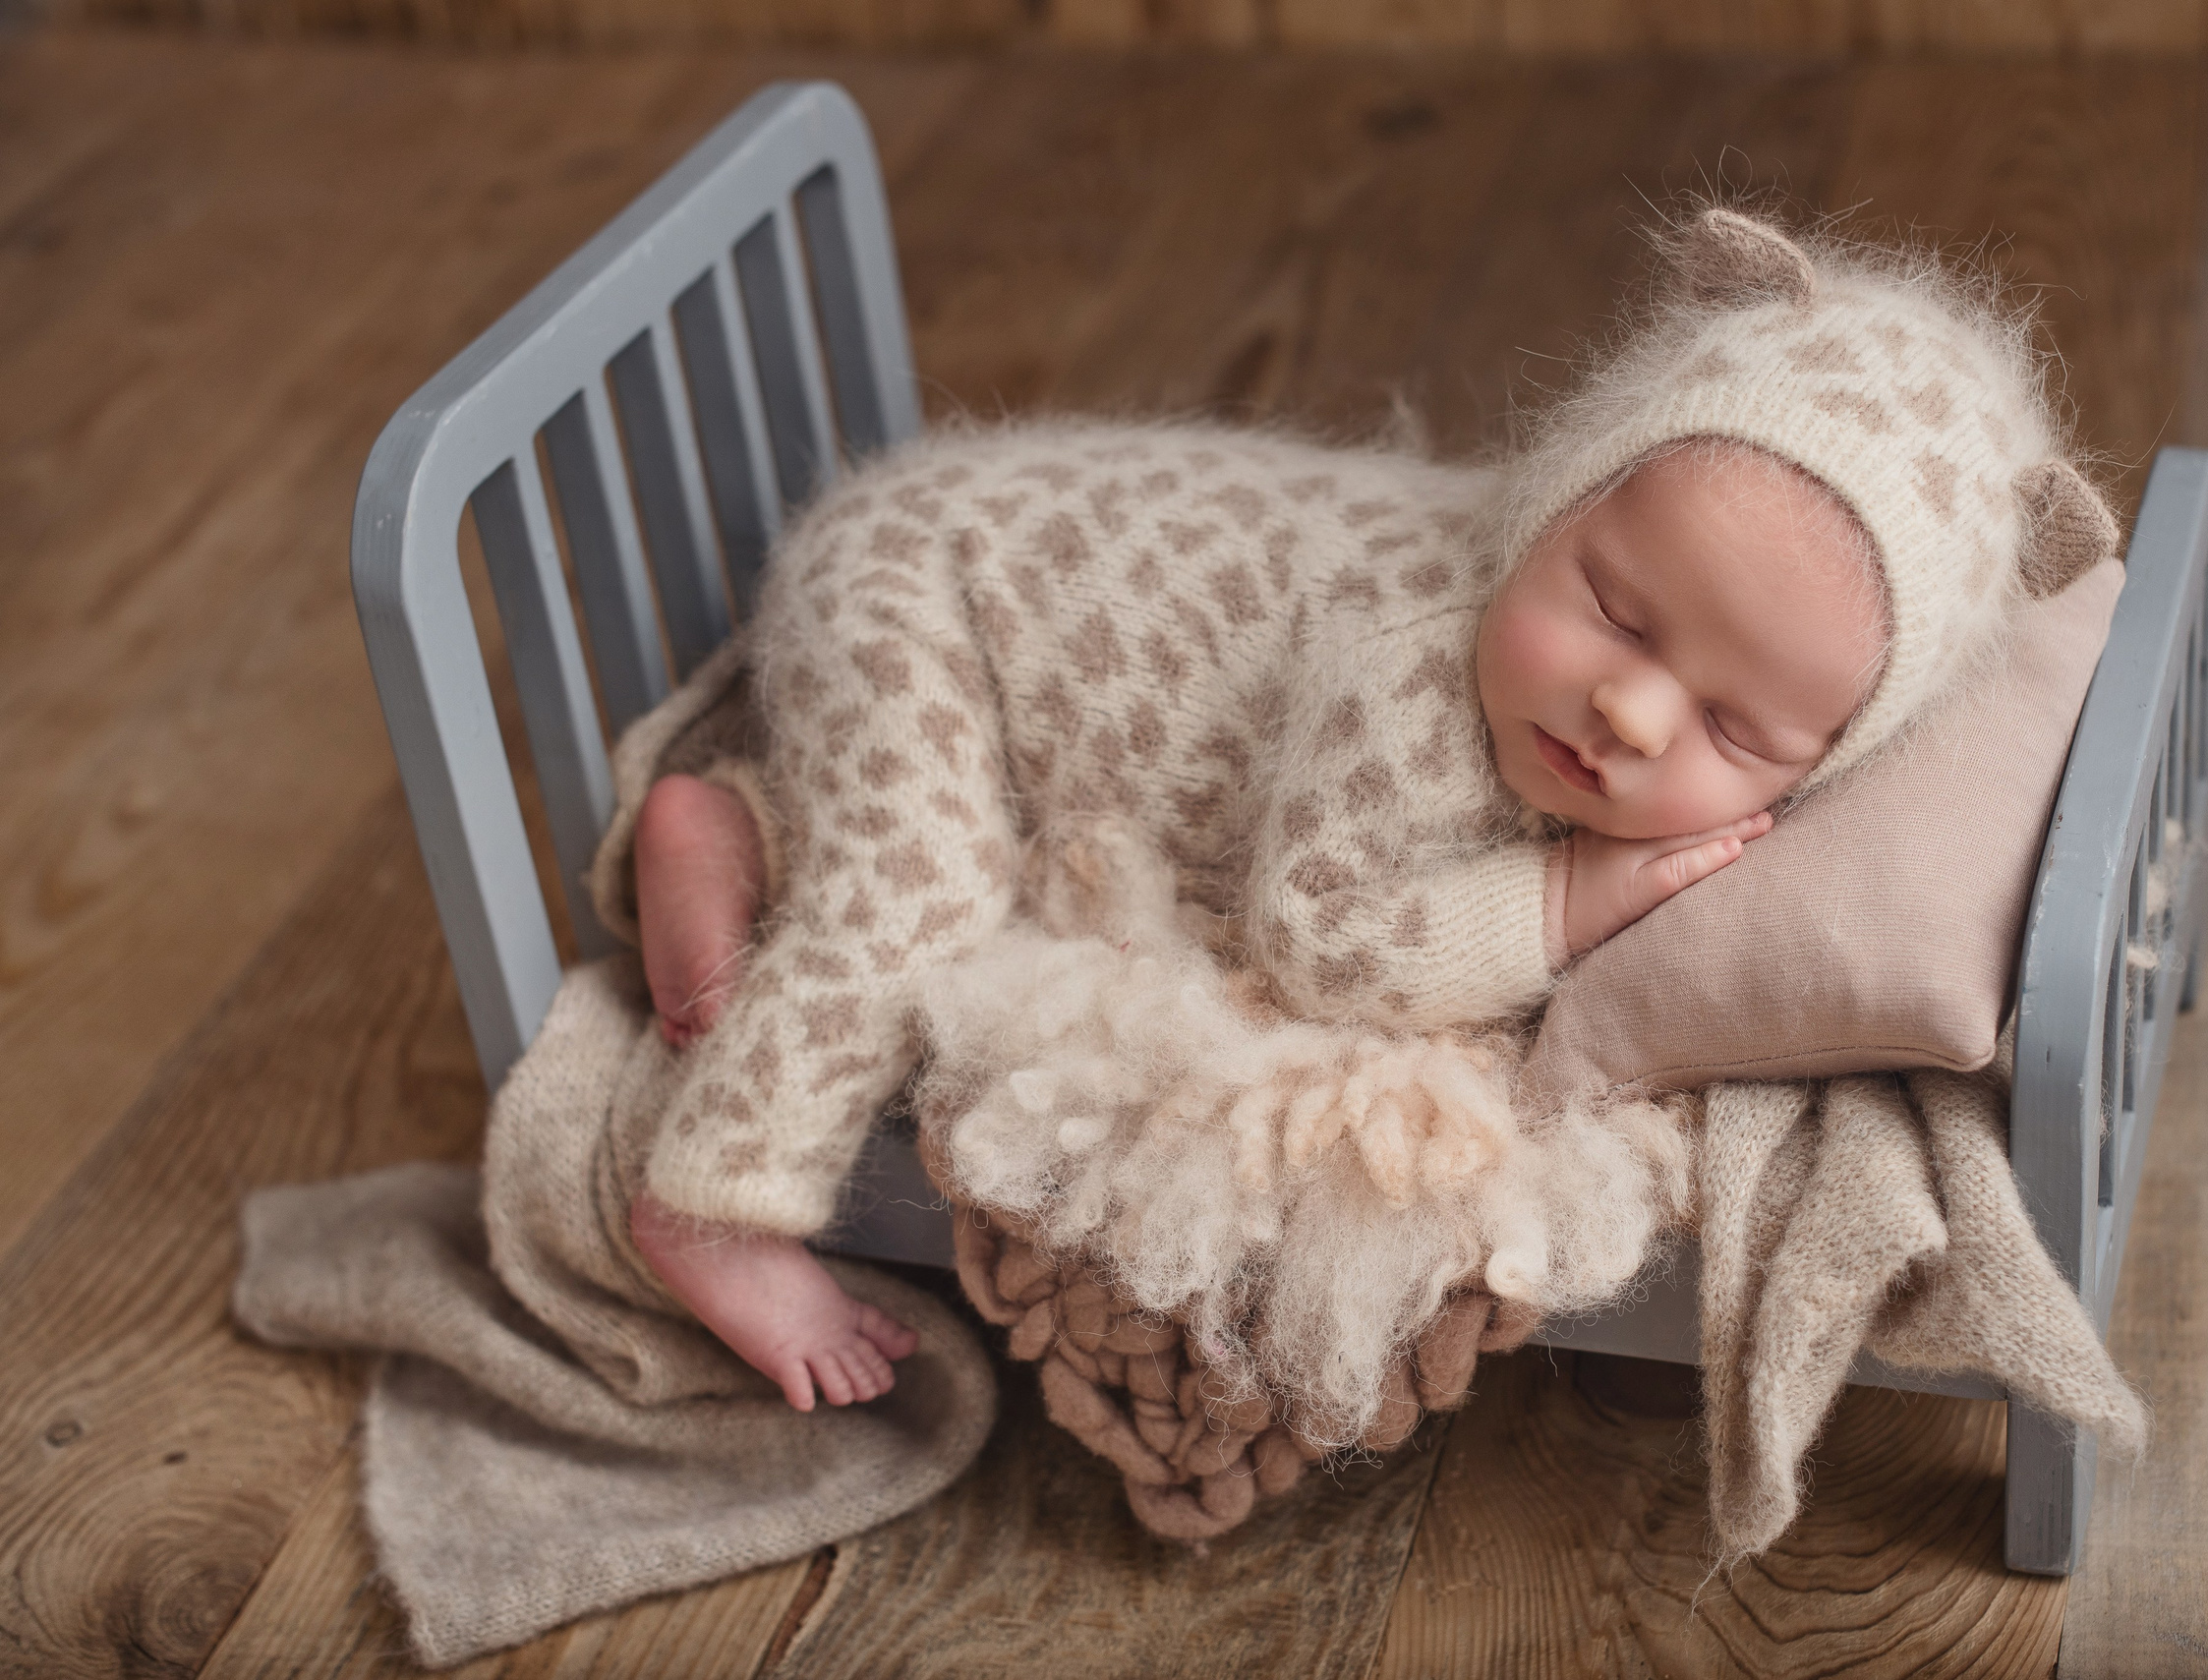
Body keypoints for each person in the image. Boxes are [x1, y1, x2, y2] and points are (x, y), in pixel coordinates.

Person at [593, 206, 2119, 1412]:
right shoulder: (1408, 675)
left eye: (1733, 725)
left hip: (1016, 612)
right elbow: (1322, 941)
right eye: (1616, 610)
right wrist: (1572, 900)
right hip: (930, 588)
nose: (1630, 713)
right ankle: (716, 1199)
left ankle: (737, 833)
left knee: (947, 826)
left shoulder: (1589, 666)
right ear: (1563, 494)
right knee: (922, 893)